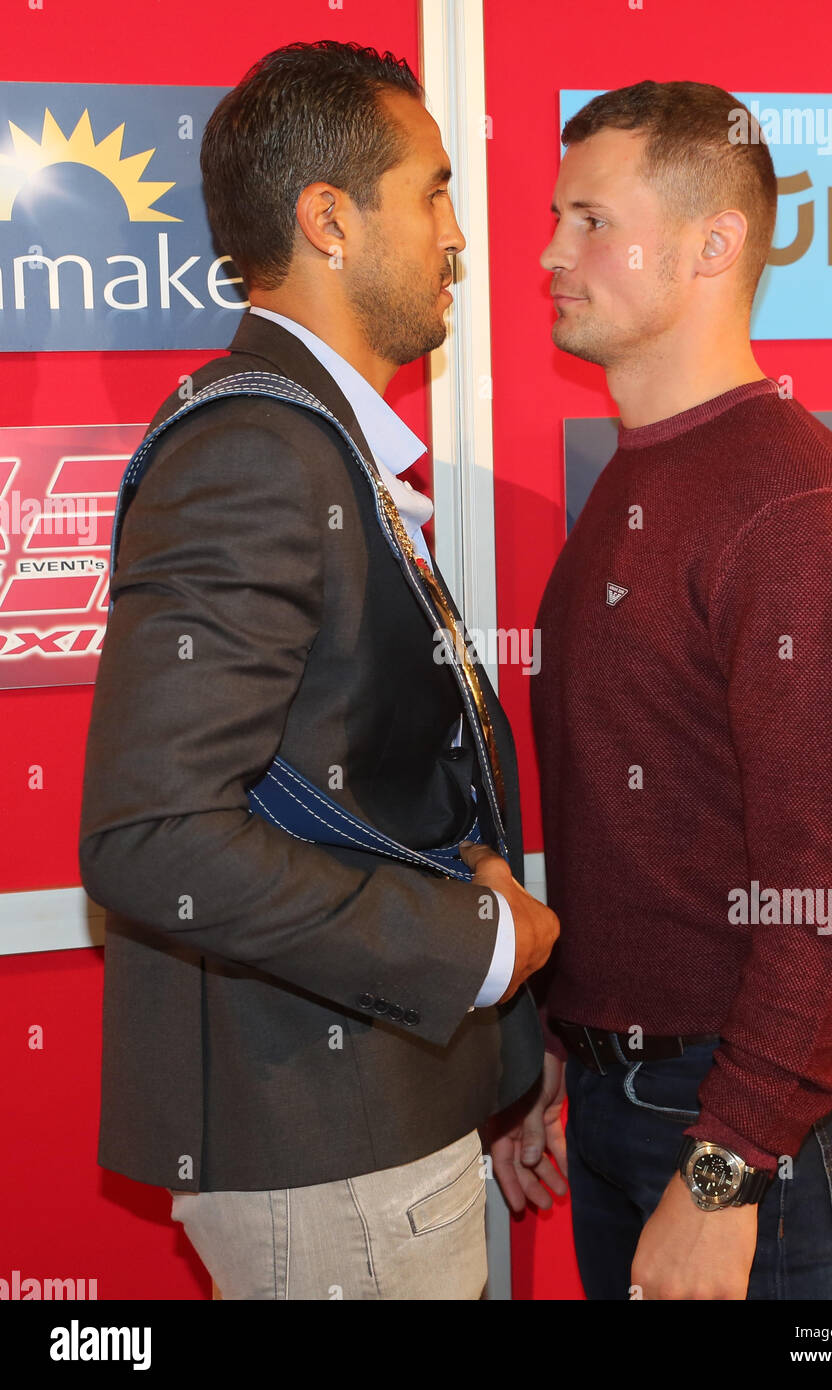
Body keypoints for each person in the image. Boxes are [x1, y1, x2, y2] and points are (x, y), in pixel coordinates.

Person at [78, 39, 557, 1302]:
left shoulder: (316, 442)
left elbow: (357, 781)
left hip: (369, 1120)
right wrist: (473, 942)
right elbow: (153, 835)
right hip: (325, 1142)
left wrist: (495, 1037)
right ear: (331, 219)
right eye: (436, 190)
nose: (460, 236)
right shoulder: (257, 453)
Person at [493, 79, 832, 1300]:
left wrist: (727, 1163)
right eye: (556, 218)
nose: (548, 253)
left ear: (713, 244)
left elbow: (828, 880)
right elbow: (634, 818)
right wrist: (565, 1050)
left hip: (739, 1117)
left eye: (590, 221)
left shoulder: (794, 507)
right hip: (631, 1098)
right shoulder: (642, 477)